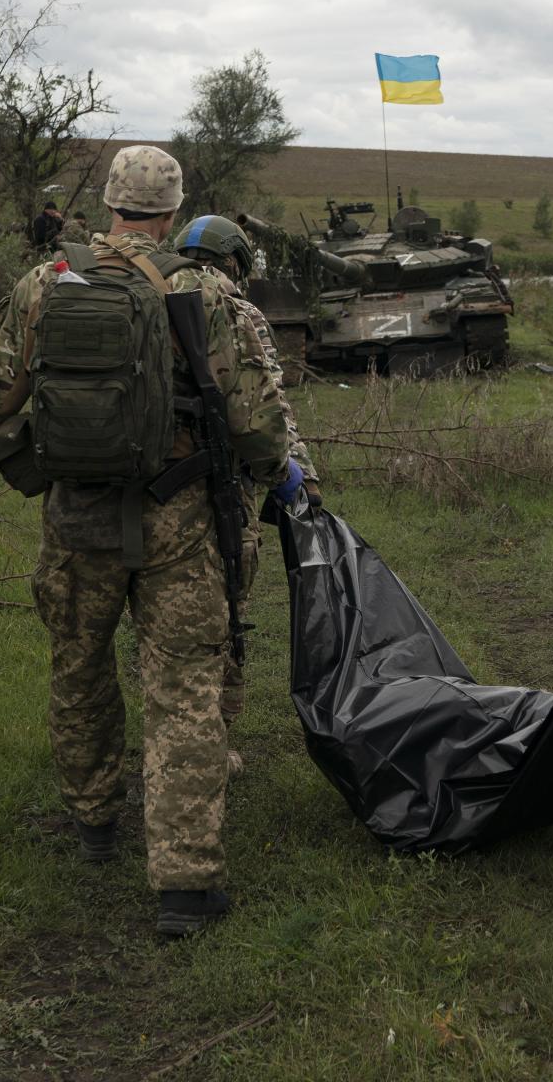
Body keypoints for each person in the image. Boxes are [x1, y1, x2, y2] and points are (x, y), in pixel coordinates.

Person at [0, 145, 301, 937]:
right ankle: (185, 886)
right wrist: (283, 477)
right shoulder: (205, 291)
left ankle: (94, 820)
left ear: (110, 203)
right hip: (180, 516)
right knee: (183, 688)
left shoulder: (46, 284)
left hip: (76, 517)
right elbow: (254, 418)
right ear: (173, 212)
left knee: (79, 668)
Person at [171, 214, 318, 772]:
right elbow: (265, 406)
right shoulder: (239, 311)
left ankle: (171, 729)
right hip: (224, 490)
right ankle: (213, 742)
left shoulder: (149, 295)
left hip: (154, 492)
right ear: (236, 261)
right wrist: (294, 473)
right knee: (228, 611)